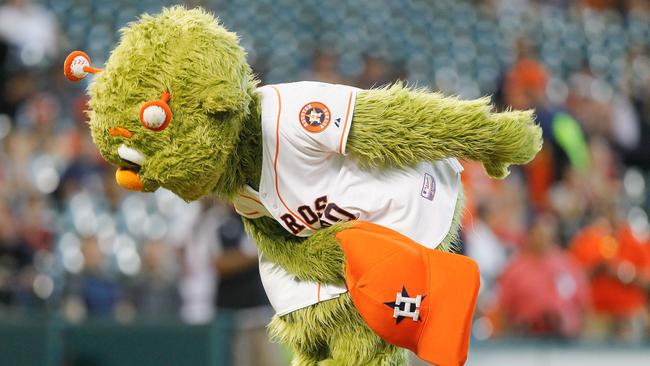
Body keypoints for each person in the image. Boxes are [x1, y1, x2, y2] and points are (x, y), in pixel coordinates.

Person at [498, 213, 590, 338]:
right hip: (526, 336)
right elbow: (504, 310)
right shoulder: (515, 269)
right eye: (538, 234)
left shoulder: (568, 265)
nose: (542, 238)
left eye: (546, 233)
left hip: (564, 337)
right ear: (530, 236)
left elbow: (584, 304)